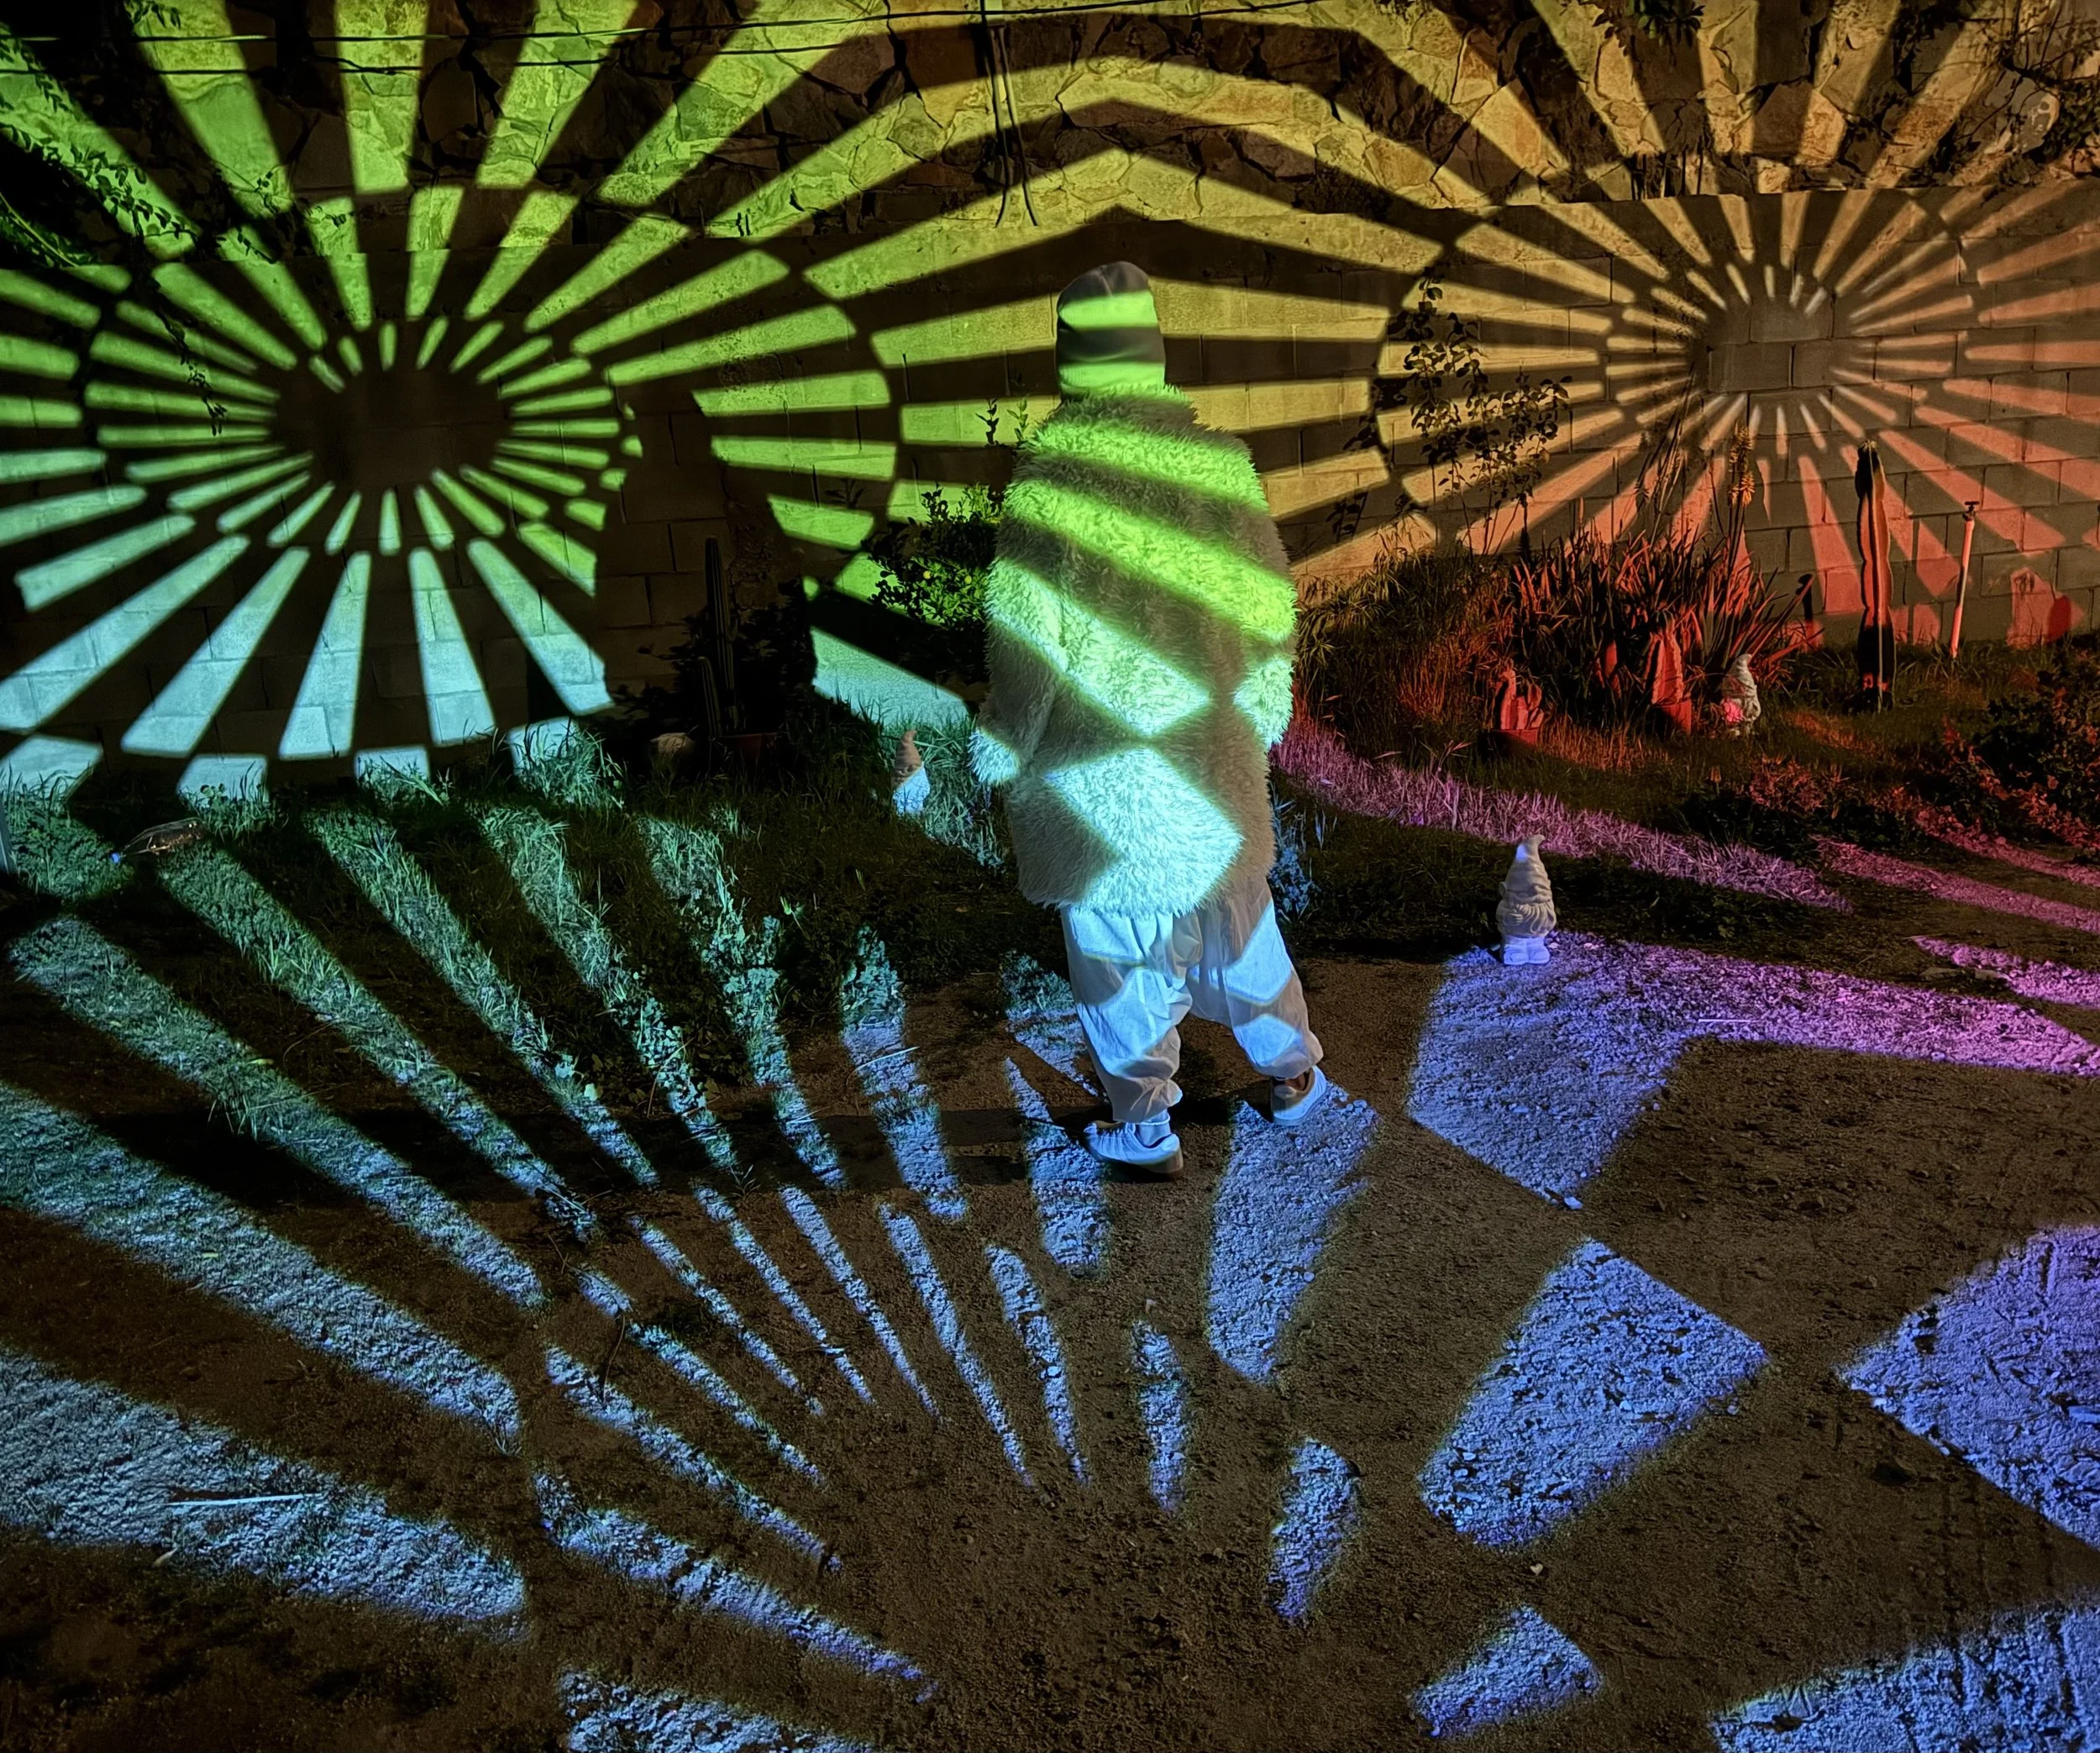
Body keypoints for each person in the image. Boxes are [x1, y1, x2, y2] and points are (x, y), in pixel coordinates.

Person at [971, 261, 1326, 1178]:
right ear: (1154, 351)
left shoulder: (1049, 483)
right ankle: (1294, 1076)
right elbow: (1267, 614)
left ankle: (1142, 1123)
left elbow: (1028, 645)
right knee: (1242, 937)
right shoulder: (1221, 467)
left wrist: (1003, 744)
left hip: (1103, 788)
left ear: (1071, 360)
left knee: (1120, 969)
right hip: (1210, 770)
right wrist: (1256, 722)